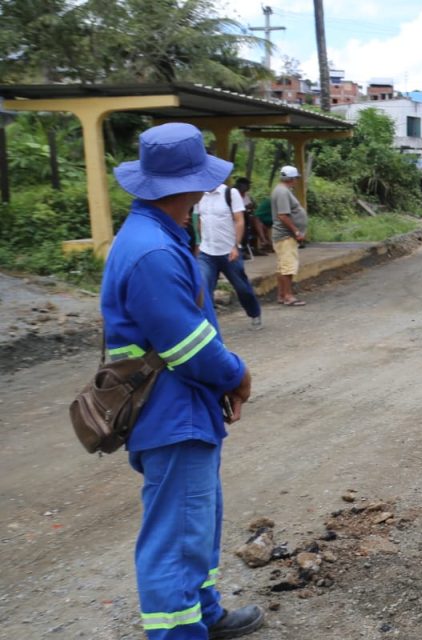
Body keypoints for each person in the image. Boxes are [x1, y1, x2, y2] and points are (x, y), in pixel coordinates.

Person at [103, 122, 263, 639]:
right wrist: (237, 375)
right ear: (190, 187)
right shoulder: (153, 251)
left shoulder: (162, 236)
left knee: (196, 523)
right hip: (168, 412)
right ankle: (178, 631)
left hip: (181, 408)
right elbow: (186, 346)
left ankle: (204, 614)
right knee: (175, 537)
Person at [196, 179, 263, 330]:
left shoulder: (230, 193)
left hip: (228, 251)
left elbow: (239, 221)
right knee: (203, 286)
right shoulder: (199, 195)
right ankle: (207, 324)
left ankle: (254, 313)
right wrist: (200, 243)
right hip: (207, 252)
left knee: (242, 287)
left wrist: (235, 245)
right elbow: (200, 219)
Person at [271, 166, 308, 306]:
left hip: (284, 235)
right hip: (286, 235)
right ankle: (288, 296)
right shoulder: (282, 192)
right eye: (296, 178)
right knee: (288, 267)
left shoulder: (283, 191)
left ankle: (282, 295)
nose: (297, 181)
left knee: (283, 266)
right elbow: (283, 215)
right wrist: (296, 231)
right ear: (291, 179)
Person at [231, 177, 257, 259]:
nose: (249, 187)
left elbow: (252, 205)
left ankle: (251, 248)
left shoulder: (246, 195)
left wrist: (250, 206)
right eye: (247, 185)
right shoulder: (233, 193)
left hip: (246, 217)